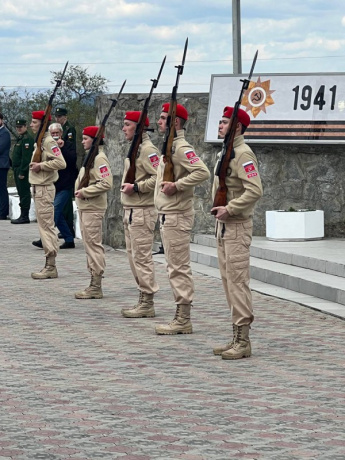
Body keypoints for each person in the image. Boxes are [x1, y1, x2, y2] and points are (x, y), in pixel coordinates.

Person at [211, 106, 263, 360]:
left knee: (238, 282)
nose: (219, 126)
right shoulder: (226, 152)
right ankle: (236, 336)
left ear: (237, 127)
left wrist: (230, 208)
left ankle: (243, 340)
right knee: (228, 282)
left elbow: (254, 190)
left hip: (237, 226)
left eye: (224, 123)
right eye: (220, 122)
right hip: (224, 227)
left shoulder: (243, 155)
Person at [154, 103, 210, 335]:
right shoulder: (170, 147)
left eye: (163, 118)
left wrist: (177, 185)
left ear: (175, 123)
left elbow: (202, 172)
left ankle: (183, 318)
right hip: (169, 214)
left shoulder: (180, 147)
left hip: (176, 215)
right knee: (173, 266)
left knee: (178, 267)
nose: (158, 122)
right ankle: (180, 315)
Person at [120, 111, 160, 318]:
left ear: (139, 127)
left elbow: (158, 178)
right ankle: (143, 297)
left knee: (142, 257)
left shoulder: (148, 150)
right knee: (134, 257)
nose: (124, 128)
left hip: (142, 210)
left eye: (127, 124)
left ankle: (147, 301)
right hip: (132, 210)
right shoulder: (136, 148)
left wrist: (136, 187)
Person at [74, 126, 113, 299]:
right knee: (89, 244)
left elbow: (106, 183)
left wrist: (85, 192)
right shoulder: (92, 157)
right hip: (86, 207)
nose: (82, 141)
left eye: (85, 138)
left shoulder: (100, 158)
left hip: (93, 207)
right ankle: (93, 281)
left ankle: (96, 284)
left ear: (95, 140)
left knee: (93, 244)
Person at [29, 110, 66, 279]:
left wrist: (41, 166)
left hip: (44, 188)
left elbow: (60, 162)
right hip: (38, 187)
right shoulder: (40, 141)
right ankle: (49, 263)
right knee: (43, 226)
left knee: (46, 227)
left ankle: (51, 265)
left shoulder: (49, 141)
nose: (31, 125)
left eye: (34, 122)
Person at [32, 123, 78, 249]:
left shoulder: (68, 145)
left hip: (65, 185)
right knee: (59, 214)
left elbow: (71, 161)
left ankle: (45, 238)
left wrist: (61, 149)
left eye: (57, 133)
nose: (55, 136)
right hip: (53, 184)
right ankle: (69, 239)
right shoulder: (48, 146)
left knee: (54, 212)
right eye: (53, 134)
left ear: (61, 134)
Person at [54, 107, 77, 237]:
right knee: (61, 207)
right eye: (57, 116)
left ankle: (68, 230)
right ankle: (67, 233)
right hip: (59, 177)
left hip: (67, 171)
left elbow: (71, 147)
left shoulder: (69, 129)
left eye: (60, 116)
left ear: (65, 117)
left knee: (64, 206)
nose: (58, 118)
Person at [10, 119, 35, 224]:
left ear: (25, 127)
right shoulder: (20, 138)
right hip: (16, 168)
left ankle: (25, 216)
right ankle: (22, 214)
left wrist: (23, 172)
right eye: (17, 127)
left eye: (21, 127)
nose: (19, 129)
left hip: (22, 170)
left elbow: (26, 158)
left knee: (24, 193)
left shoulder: (27, 139)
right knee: (21, 192)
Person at [0, 113, 11, 220]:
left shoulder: (4, 133)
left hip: (1, 165)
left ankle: (3, 212)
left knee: (2, 188)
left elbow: (1, 148)